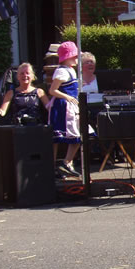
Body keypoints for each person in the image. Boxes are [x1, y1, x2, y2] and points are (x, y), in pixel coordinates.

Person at [48, 41, 82, 179]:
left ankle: (67, 162)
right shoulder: (61, 71)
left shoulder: (70, 70)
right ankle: (53, 166)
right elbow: (52, 90)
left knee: (77, 135)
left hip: (71, 106)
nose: (76, 58)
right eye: (74, 55)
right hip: (62, 106)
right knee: (58, 137)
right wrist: (68, 97)